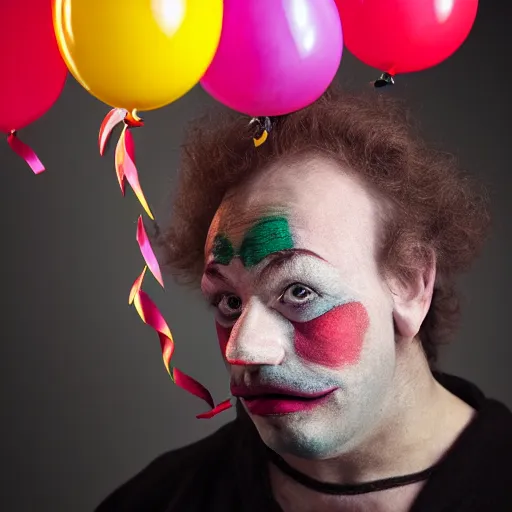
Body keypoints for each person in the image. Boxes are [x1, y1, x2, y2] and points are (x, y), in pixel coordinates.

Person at [95, 87, 512, 512]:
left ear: (409, 283)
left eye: (299, 291)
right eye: (228, 302)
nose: (243, 349)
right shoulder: (160, 501)